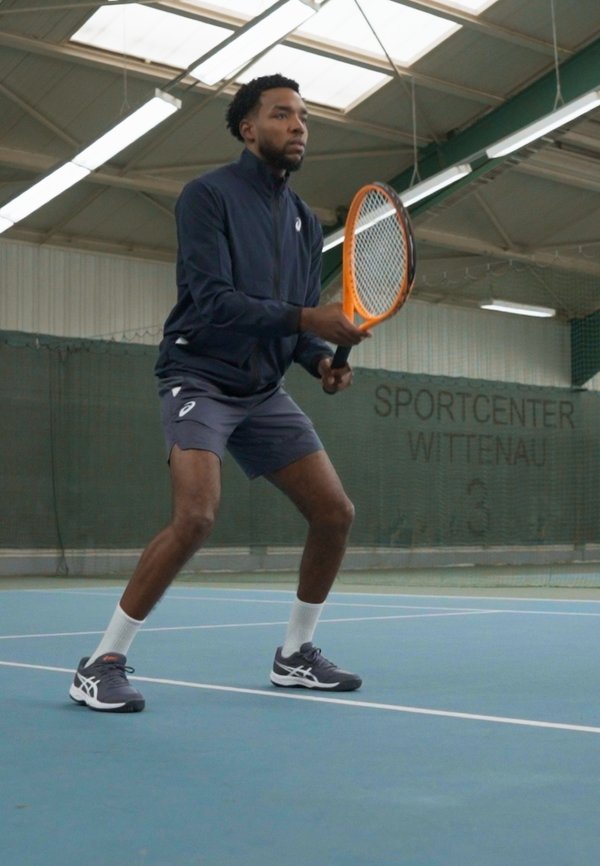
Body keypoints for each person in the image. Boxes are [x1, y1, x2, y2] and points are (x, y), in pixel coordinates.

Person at [69, 73, 370, 713]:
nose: (298, 126)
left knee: (334, 513)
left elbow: (294, 323)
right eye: (282, 115)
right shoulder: (206, 197)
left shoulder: (302, 220)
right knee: (197, 516)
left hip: (262, 390)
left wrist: (319, 360)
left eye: (304, 117)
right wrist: (309, 320)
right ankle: (100, 664)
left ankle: (295, 655)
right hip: (199, 375)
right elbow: (214, 301)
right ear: (248, 128)